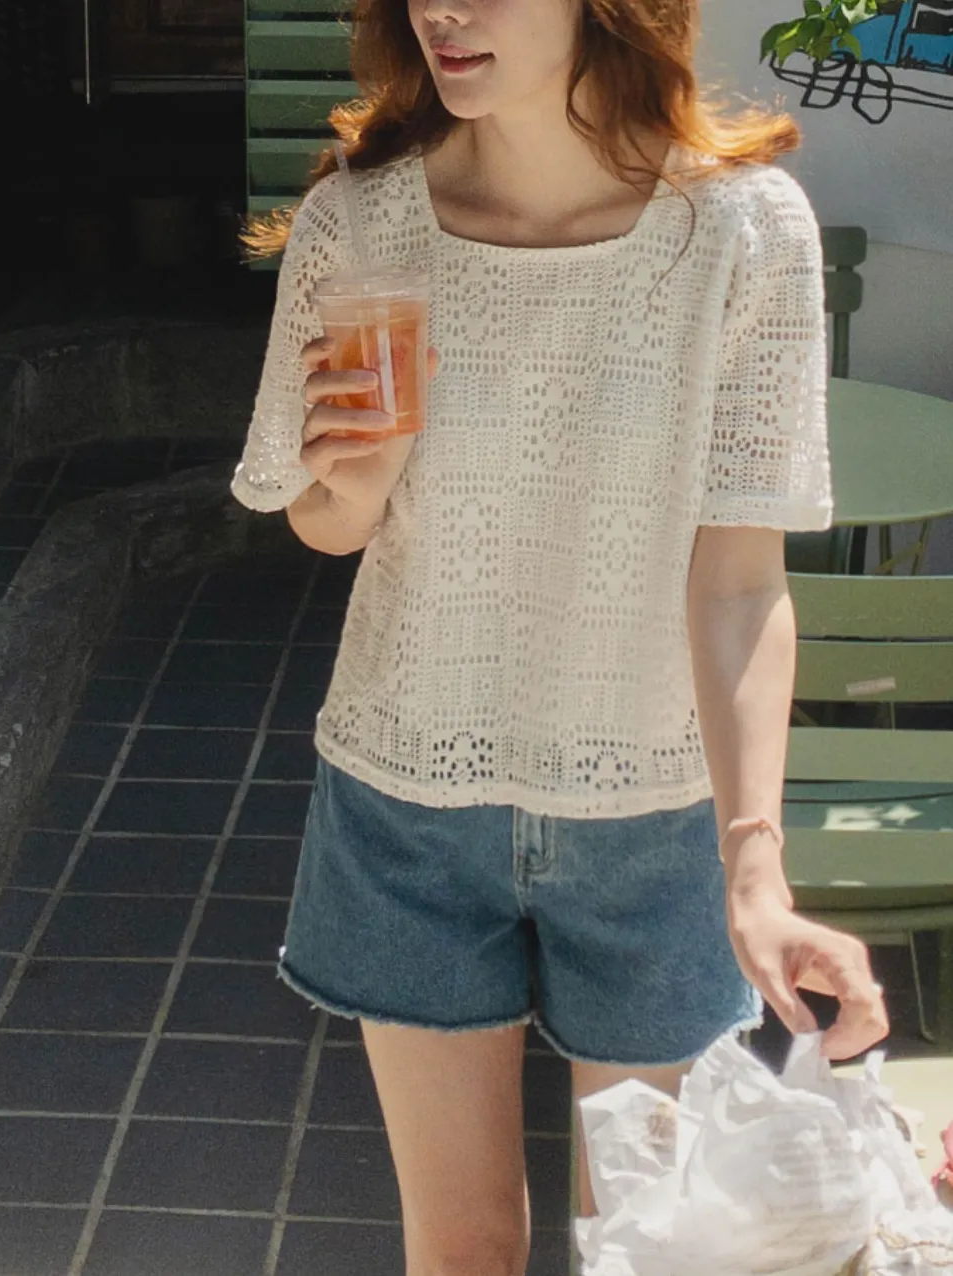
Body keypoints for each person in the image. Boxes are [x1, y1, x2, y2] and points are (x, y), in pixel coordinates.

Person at [232, 1, 890, 1271]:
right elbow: (324, 522)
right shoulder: (358, 221)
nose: (444, 9)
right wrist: (358, 480)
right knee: (461, 1248)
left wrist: (755, 864)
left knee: (643, 1247)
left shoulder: (743, 232)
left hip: (654, 818)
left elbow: (740, 581)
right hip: (405, 797)